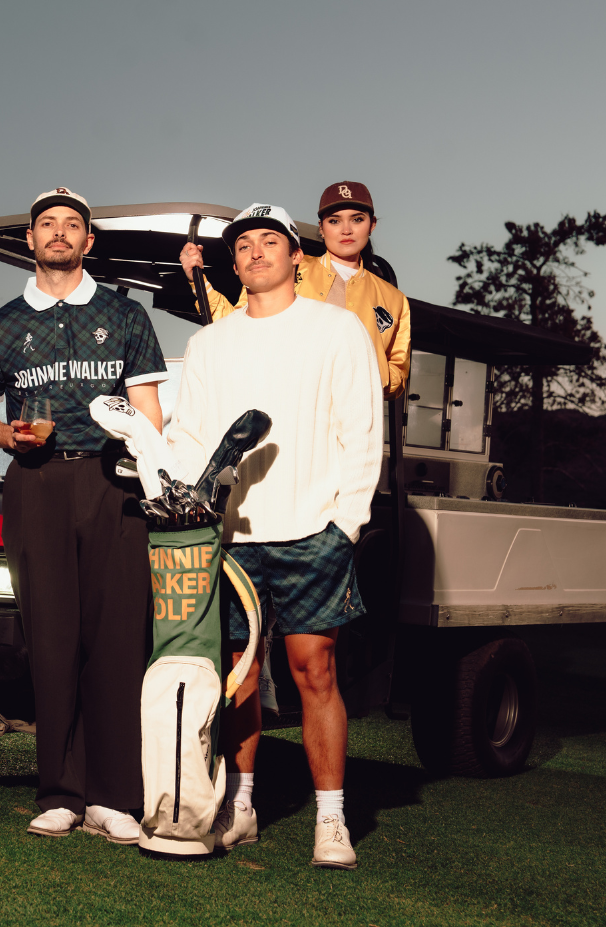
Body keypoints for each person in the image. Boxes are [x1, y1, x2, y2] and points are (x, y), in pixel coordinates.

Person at [168, 203, 383, 869]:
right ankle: (242, 805)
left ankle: (331, 820)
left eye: (271, 241)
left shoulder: (338, 329)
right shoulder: (209, 344)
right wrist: (188, 510)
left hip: (314, 531)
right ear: (232, 264)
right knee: (238, 678)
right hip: (232, 539)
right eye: (244, 245)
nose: (256, 252)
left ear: (296, 257)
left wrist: (346, 523)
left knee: (314, 670)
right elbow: (189, 438)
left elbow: (362, 429)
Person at [0, 187, 168, 844]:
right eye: (46, 224)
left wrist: (139, 449)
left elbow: (149, 410)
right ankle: (59, 792)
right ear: (30, 241)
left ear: (88, 242)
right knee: (51, 639)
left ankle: (113, 797)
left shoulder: (125, 315)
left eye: (70, 224)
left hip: (114, 483)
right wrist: (8, 439)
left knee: (116, 638)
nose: (58, 233)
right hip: (37, 482)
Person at [180, 181, 411, 399]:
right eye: (334, 221)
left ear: (372, 225)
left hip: (355, 412)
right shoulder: (289, 266)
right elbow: (240, 326)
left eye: (357, 219)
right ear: (321, 228)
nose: (346, 230)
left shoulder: (394, 299)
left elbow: (398, 372)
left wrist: (367, 375)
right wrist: (200, 283)